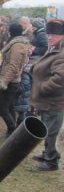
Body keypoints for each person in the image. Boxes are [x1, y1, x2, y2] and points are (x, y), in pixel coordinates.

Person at [29, 20, 64, 171]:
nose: (50, 38)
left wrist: (43, 88)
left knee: (51, 132)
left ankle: (51, 161)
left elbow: (60, 78)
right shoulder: (53, 48)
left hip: (53, 100)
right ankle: (46, 153)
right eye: (49, 34)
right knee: (47, 129)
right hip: (46, 100)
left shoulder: (61, 53)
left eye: (54, 35)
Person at [0, 23, 29, 139]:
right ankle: (12, 131)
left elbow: (13, 66)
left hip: (11, 81)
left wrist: (3, 81)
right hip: (12, 80)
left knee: (2, 109)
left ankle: (12, 131)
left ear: (11, 31)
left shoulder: (17, 45)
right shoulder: (16, 43)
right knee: (10, 107)